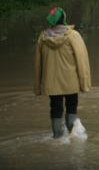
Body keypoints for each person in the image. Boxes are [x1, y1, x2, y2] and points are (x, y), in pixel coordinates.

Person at [34, 7, 91, 138]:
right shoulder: (73, 36)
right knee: (72, 106)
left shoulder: (43, 38)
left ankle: (57, 137)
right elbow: (82, 61)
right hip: (71, 81)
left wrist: (38, 86)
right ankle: (73, 135)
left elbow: (38, 64)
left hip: (51, 82)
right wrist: (84, 83)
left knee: (55, 108)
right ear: (64, 19)